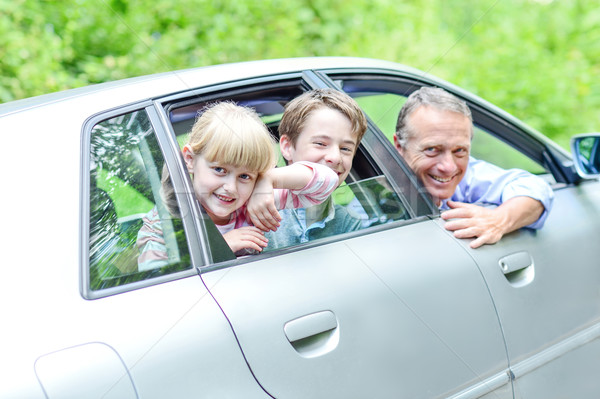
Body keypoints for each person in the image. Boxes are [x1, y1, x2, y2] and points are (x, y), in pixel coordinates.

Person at [137, 101, 339, 270]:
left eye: (244, 176)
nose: (231, 188)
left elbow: (327, 181)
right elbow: (157, 284)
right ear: (190, 159)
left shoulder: (252, 201)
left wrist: (268, 180)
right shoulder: (163, 225)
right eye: (219, 170)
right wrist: (221, 247)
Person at [394, 86, 554, 249]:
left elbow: (535, 188)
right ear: (399, 146)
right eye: (432, 149)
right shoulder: (372, 189)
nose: (449, 167)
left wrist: (499, 220)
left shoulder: (466, 178)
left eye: (459, 151)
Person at [255, 88, 368, 251]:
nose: (335, 157)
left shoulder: (348, 222)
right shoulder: (260, 206)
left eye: (346, 149)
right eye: (320, 144)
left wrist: (268, 178)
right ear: (287, 147)